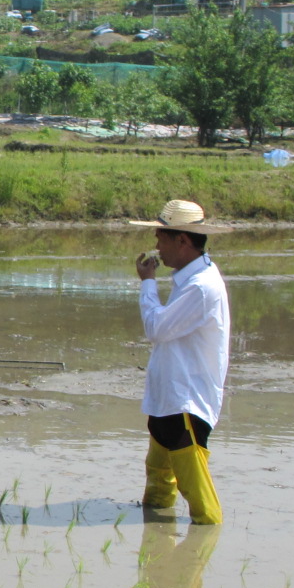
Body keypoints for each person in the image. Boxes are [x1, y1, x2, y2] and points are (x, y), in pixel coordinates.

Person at [130, 199, 231, 525]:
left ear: (182, 241)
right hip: (166, 398)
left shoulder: (201, 287)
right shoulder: (189, 278)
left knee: (200, 503)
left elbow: (157, 329)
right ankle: (157, 554)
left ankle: (199, 558)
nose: (156, 246)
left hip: (186, 401)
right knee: (158, 483)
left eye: (161, 238)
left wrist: (147, 284)